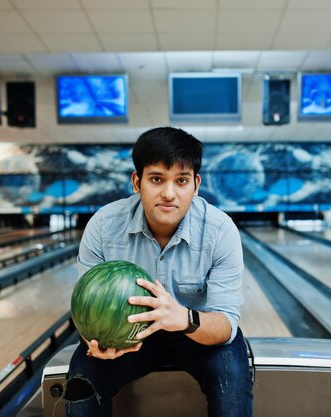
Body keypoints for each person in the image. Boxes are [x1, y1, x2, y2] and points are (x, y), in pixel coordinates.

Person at [64, 127, 253, 417]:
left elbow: (225, 325)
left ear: (196, 184)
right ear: (137, 182)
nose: (168, 193)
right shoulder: (103, 226)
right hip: (129, 338)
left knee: (233, 381)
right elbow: (85, 309)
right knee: (82, 381)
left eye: (181, 180)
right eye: (156, 179)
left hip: (197, 333)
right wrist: (96, 340)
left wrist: (184, 318)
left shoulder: (220, 231)